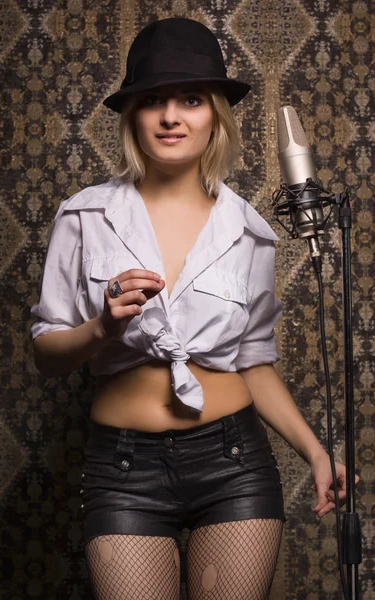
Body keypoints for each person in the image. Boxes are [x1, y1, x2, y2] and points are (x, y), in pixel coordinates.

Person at [30, 17, 358, 600]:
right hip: (123, 470)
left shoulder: (251, 232)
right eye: (152, 101)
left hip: (234, 466)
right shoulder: (83, 216)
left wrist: (316, 453)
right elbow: (47, 355)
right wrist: (103, 326)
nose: (170, 116)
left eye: (189, 99)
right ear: (133, 117)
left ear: (215, 115)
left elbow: (254, 362)